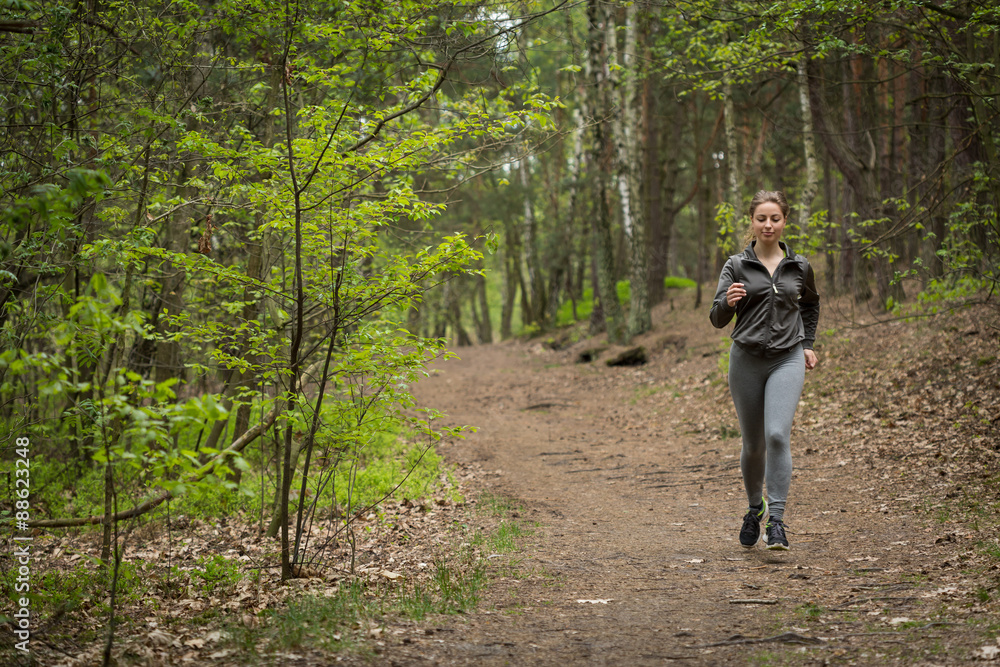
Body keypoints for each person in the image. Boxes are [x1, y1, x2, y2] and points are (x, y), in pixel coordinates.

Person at [709, 190, 820, 551]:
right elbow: (716, 318)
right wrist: (728, 303)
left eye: (775, 218)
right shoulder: (736, 266)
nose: (768, 225)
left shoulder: (799, 266)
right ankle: (754, 508)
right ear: (752, 222)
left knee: (776, 435)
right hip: (746, 359)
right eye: (761, 219)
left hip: (787, 357)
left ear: (784, 221)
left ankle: (777, 521)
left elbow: (811, 305)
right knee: (754, 444)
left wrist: (807, 343)